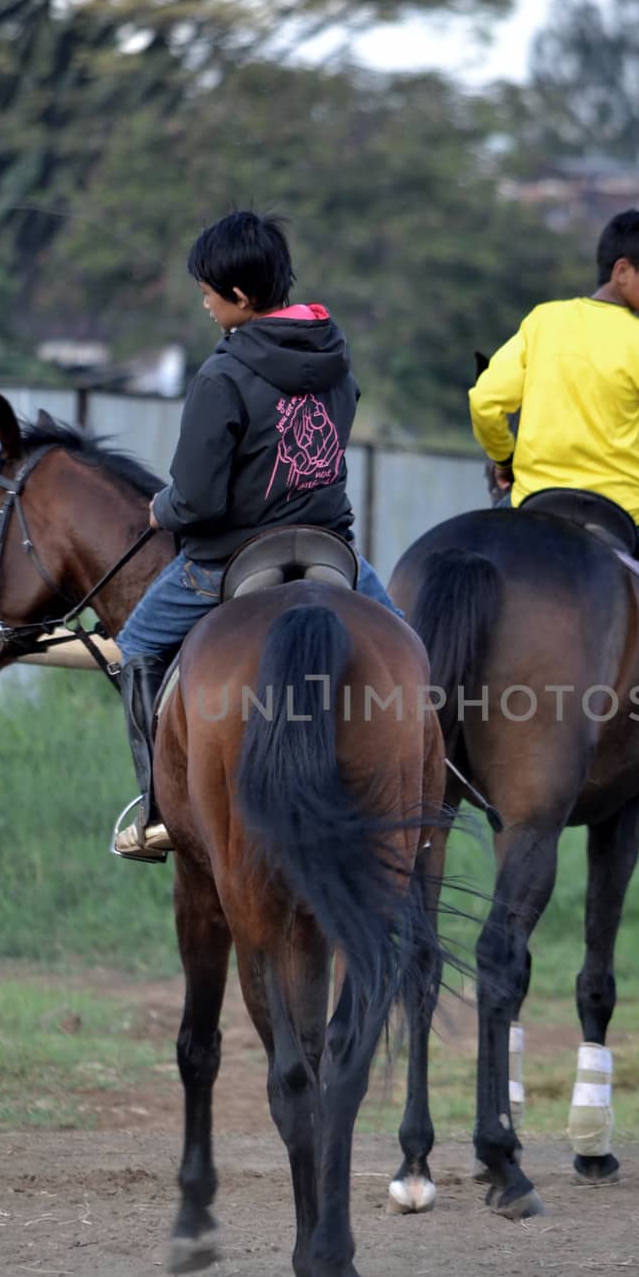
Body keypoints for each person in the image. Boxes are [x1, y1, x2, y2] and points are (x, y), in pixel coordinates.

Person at [113, 209, 399, 860]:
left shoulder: (222, 374)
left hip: (230, 560)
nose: (206, 306)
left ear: (240, 297)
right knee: (408, 651)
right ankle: (432, 779)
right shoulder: (335, 355)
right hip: (332, 550)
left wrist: (163, 509)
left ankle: (159, 807)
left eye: (209, 295)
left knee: (135, 648)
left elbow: (200, 498)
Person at [468, 208, 639, 795]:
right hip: (625, 510)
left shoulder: (544, 322)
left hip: (535, 503)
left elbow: (486, 402)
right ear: (623, 271)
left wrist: (507, 459)